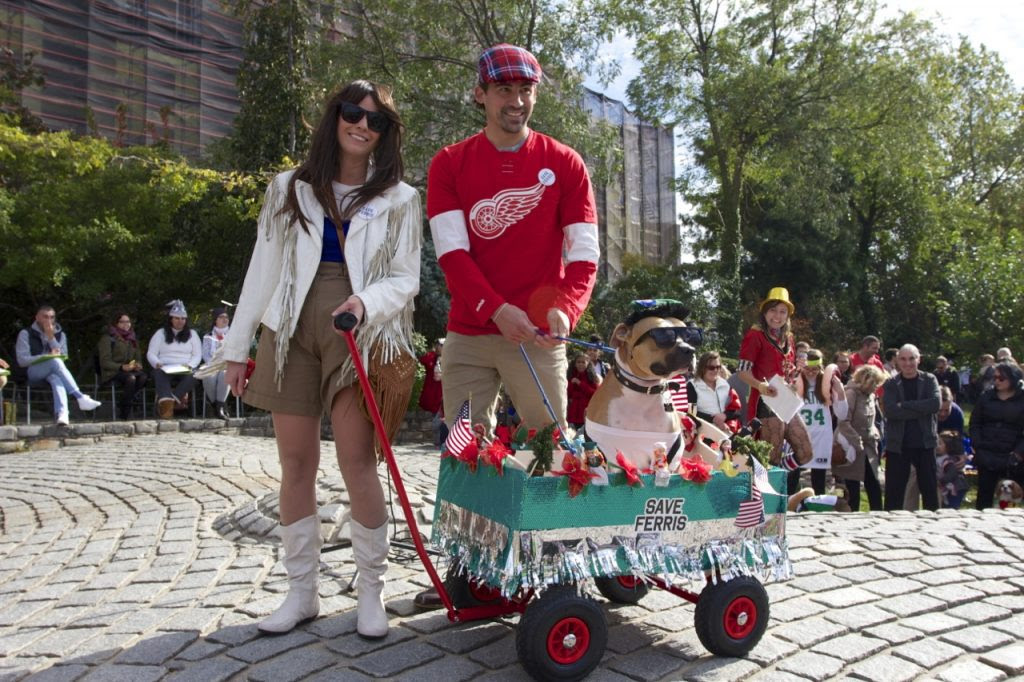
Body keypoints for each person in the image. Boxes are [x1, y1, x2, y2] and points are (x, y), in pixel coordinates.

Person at [222, 80, 420, 639]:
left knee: (358, 463)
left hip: (361, 327)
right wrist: (237, 349)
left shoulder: (401, 198)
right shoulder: (289, 188)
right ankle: (301, 593)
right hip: (289, 326)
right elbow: (263, 267)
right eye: (353, 113)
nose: (362, 125)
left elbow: (405, 279)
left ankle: (371, 592)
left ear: (386, 133)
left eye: (376, 121)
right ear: (335, 117)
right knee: (295, 465)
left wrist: (365, 301)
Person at [418, 43, 599, 608]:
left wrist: (564, 310)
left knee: (549, 446)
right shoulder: (450, 163)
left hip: (540, 338)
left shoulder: (566, 162)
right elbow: (452, 255)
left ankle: (556, 567)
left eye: (525, 90)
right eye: (503, 90)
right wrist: (497, 309)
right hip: (471, 333)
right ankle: (468, 571)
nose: (516, 101)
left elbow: (585, 254)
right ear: (481, 95)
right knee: (464, 449)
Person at [735, 286, 812, 472]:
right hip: (766, 402)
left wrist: (795, 378)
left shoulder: (790, 338)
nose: (777, 316)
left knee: (806, 452)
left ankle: (778, 479)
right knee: (771, 459)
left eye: (782, 311)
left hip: (786, 401)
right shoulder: (755, 335)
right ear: (764, 312)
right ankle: (768, 494)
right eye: (773, 310)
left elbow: (788, 372)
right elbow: (742, 371)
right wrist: (760, 386)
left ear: (788, 315)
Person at [15, 305, 101, 425]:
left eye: (51, 317)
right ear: (37, 318)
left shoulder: (61, 335)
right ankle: (80, 397)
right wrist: (46, 357)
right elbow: (22, 361)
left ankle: (62, 414)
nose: (48, 320)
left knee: (56, 378)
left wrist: (51, 337)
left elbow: (63, 357)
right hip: (33, 372)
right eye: (45, 317)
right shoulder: (26, 333)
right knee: (54, 361)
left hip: (54, 371)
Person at [882, 344, 941, 511]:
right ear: (897, 361)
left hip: (924, 442)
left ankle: (932, 523)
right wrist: (920, 409)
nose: (908, 363)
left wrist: (905, 406)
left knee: (929, 489)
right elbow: (891, 411)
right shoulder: (892, 383)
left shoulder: (929, 380)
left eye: (911, 358)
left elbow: (935, 404)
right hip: (899, 443)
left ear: (919, 359)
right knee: (894, 491)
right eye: (903, 359)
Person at [970, 361, 1024, 510]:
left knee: (1012, 500)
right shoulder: (986, 396)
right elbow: (975, 423)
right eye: (995, 377)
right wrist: (977, 444)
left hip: (1012, 455)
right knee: (984, 498)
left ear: (1012, 378)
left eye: (1001, 378)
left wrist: (1019, 453)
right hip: (987, 452)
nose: (996, 381)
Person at [834, 364, 887, 511]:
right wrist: (856, 441)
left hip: (869, 445)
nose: (876, 386)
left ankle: (878, 512)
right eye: (874, 383)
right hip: (851, 445)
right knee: (852, 485)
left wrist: (876, 434)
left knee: (873, 482)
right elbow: (843, 421)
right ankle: (852, 513)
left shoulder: (870, 395)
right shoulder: (851, 393)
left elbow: (873, 419)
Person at [147, 300, 202, 419]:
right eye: (177, 318)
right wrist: (157, 363)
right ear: (171, 319)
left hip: (185, 367)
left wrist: (190, 365)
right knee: (159, 374)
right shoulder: (160, 333)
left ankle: (170, 402)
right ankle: (166, 404)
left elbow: (197, 355)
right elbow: (151, 353)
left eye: (182, 319)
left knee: (197, 375)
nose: (180, 321)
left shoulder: (192, 334)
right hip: (164, 366)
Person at [97, 311, 147, 419]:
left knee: (143, 377)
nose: (126, 324)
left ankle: (125, 402)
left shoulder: (132, 339)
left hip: (128, 370)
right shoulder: (107, 339)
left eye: (128, 322)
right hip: (112, 372)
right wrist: (121, 367)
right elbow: (104, 362)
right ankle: (125, 411)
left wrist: (137, 365)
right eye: (122, 322)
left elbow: (138, 358)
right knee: (131, 378)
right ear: (116, 323)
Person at [692, 351, 741, 434]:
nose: (715, 370)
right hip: (703, 433)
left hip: (726, 433)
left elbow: (736, 411)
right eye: (711, 367)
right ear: (702, 368)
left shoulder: (726, 385)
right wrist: (714, 420)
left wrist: (725, 416)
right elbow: (691, 412)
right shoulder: (692, 385)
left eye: (718, 367)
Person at [201, 307, 232, 419]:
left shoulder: (233, 335)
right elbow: (205, 354)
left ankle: (218, 407)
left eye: (226, 317)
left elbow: (235, 351)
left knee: (224, 374)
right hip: (212, 365)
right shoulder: (208, 336)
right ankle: (219, 406)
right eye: (221, 317)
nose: (225, 319)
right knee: (208, 376)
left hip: (228, 365)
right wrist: (214, 365)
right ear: (215, 320)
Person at [418, 339, 445, 446]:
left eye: (441, 345)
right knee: (435, 418)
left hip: (442, 393)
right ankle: (437, 441)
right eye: (438, 345)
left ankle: (440, 441)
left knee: (440, 417)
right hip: (431, 393)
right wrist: (434, 353)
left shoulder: (449, 358)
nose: (439, 347)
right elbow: (424, 360)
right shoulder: (432, 358)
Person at [566, 353, 598, 430]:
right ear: (575, 364)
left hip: (586, 412)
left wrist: (580, 383)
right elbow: (567, 393)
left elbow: (595, 393)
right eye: (578, 362)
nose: (580, 364)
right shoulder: (570, 375)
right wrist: (571, 384)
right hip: (573, 412)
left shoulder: (592, 377)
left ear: (588, 363)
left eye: (583, 362)